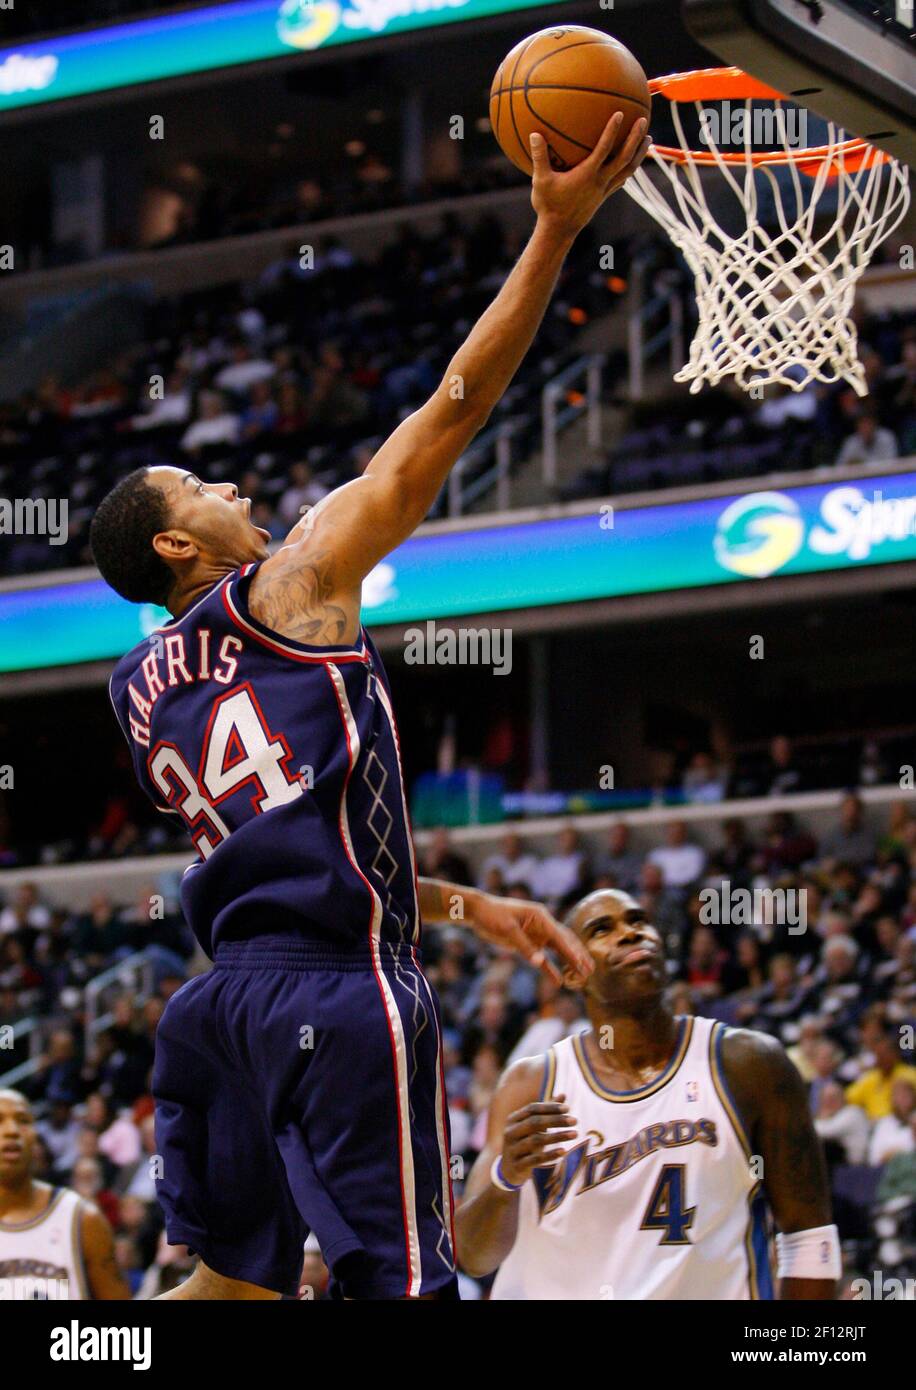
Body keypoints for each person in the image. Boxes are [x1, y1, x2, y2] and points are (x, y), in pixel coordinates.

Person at [87, 115, 649, 1302]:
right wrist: (551, 232)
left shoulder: (135, 688)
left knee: (226, 1288)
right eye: (203, 485)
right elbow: (447, 412)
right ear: (180, 541)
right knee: (409, 1285)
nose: (235, 482)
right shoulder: (292, 581)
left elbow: (282, 844)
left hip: (222, 1001)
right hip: (340, 995)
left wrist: (462, 903)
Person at [455, 889, 838, 1300]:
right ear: (569, 971)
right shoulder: (529, 1085)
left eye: (638, 921)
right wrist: (504, 1179)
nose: (629, 934)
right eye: (602, 929)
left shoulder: (749, 1065)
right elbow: (475, 1256)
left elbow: (809, 1239)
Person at [0, 1090, 130, 1300]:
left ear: (36, 1138)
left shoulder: (83, 1219)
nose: (12, 1131)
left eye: (23, 1120)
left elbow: (124, 1331)